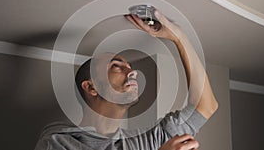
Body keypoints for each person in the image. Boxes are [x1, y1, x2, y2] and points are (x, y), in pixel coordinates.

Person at [34, 9, 218, 150]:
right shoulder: (58, 142)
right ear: (91, 87)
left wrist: (179, 37)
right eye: (116, 66)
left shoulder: (144, 142)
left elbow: (205, 106)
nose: (133, 72)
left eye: (129, 66)